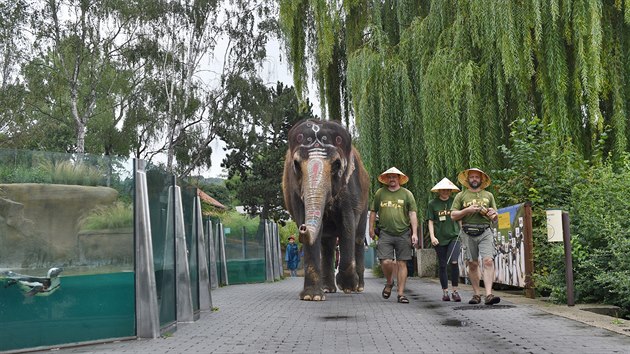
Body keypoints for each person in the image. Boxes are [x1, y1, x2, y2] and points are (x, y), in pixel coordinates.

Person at [450, 168, 500, 305]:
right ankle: (477, 294)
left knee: (488, 261)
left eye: (477, 177)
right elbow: (453, 215)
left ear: (481, 179)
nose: (474, 179)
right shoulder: (461, 196)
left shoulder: (489, 195)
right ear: (467, 180)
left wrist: (492, 214)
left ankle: (489, 294)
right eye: (471, 177)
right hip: (467, 232)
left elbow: (495, 218)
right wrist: (467, 210)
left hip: (485, 231)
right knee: (472, 263)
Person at [369, 167, 418, 304]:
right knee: (386, 261)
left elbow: (412, 214)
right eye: (389, 177)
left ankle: (401, 294)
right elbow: (373, 211)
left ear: (399, 179)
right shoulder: (380, 193)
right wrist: (371, 229)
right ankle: (389, 282)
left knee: (402, 263)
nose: (392, 179)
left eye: (394, 177)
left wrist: (414, 233)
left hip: (403, 233)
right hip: (385, 233)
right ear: (386, 179)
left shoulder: (407, 194)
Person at [426, 177, 462, 302]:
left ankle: (455, 291)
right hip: (439, 238)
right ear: (439, 190)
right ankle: (445, 292)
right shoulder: (432, 204)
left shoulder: (455, 202)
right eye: (443, 189)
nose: (445, 191)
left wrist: (462, 232)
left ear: (451, 191)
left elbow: (460, 218)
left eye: (448, 189)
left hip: (454, 236)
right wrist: (432, 236)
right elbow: (430, 221)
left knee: (454, 261)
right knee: (442, 264)